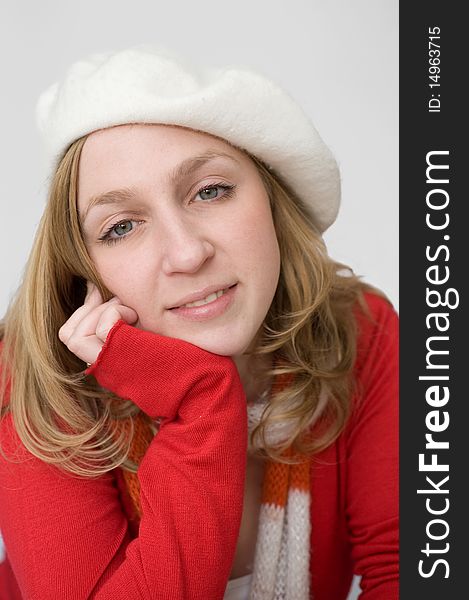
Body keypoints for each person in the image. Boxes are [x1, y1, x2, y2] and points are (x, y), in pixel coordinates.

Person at [0, 45, 398, 600]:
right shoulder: (39, 383)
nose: (187, 253)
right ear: (82, 268)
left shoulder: (362, 331)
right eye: (122, 227)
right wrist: (202, 400)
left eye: (211, 191)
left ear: (273, 199)